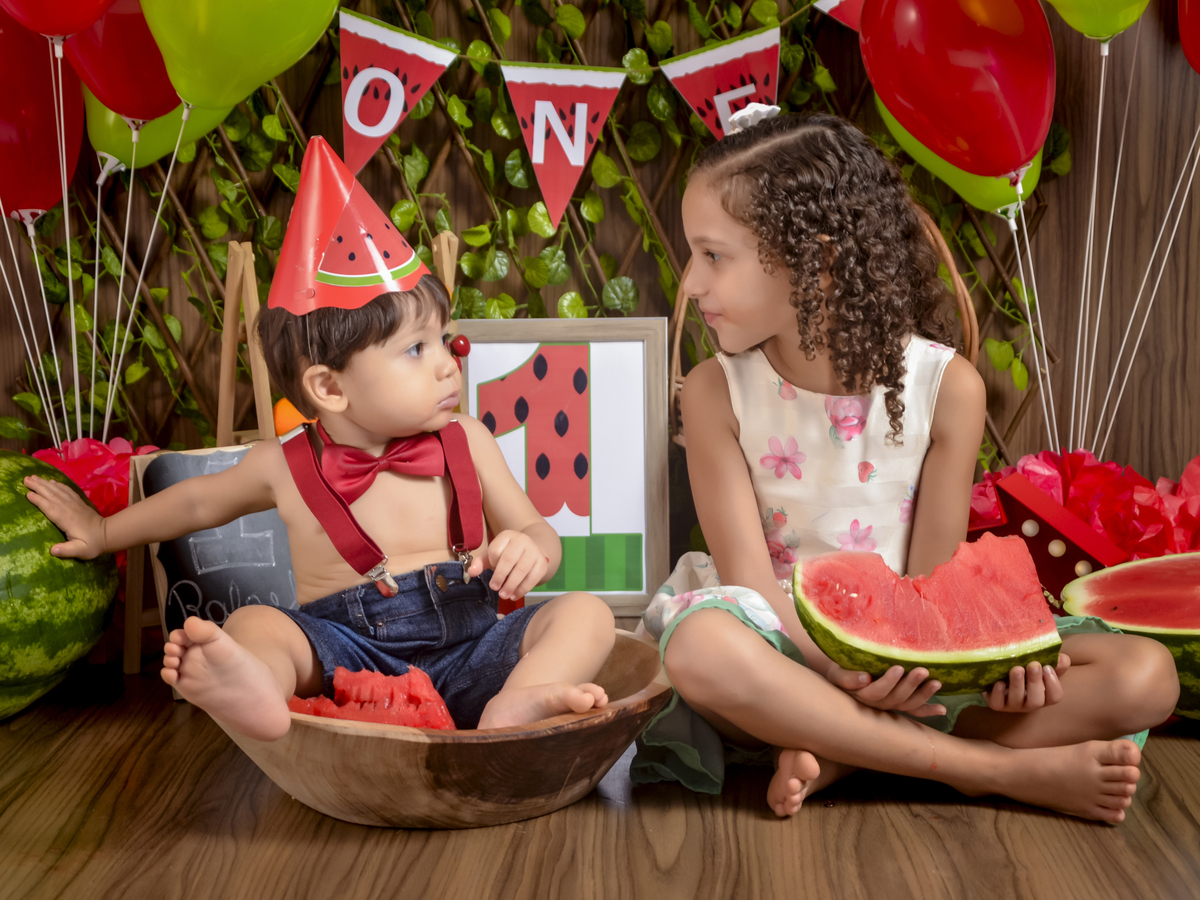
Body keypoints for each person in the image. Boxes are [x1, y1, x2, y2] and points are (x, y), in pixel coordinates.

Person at [632, 110, 1179, 823]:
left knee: (1147, 676)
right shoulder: (715, 393)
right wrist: (837, 669)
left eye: (714, 256)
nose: (693, 283)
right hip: (783, 651)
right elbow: (748, 583)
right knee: (699, 646)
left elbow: (932, 586)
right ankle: (985, 769)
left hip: (910, 663)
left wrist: (987, 671)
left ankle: (845, 752)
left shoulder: (946, 389)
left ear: (815, 259)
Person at [24, 137, 615, 741]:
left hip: (476, 652)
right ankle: (257, 685)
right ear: (329, 388)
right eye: (416, 350)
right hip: (349, 659)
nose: (447, 365)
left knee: (584, 613)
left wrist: (529, 549)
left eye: (445, 341)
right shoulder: (283, 463)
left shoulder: (469, 439)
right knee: (260, 624)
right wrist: (102, 533)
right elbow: (197, 503)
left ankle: (514, 703)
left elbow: (540, 531)